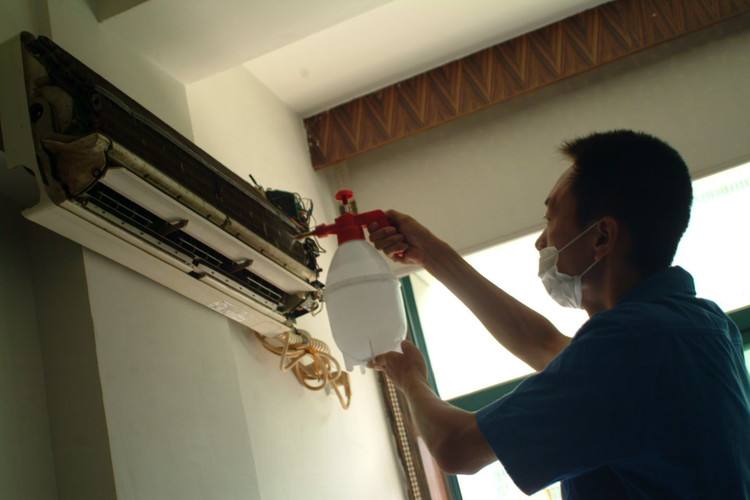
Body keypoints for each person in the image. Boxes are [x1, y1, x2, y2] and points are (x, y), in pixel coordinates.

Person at [367, 130, 750, 499]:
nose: (541, 241)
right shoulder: (697, 326)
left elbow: (456, 447)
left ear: (601, 237)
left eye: (551, 220)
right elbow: (543, 344)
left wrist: (410, 378)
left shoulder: (635, 344)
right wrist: (431, 253)